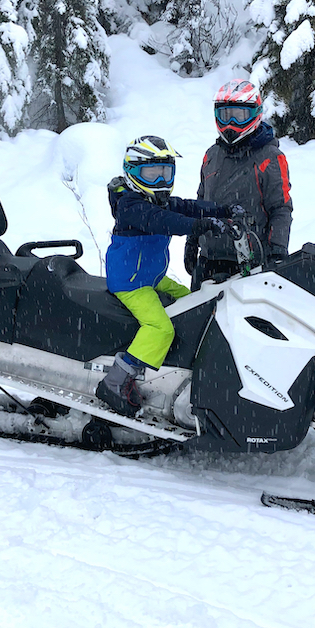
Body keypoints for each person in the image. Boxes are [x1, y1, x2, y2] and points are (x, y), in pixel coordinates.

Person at [97, 135, 238, 418]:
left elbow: (187, 206)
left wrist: (222, 211)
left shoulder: (154, 199)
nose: (160, 180)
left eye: (165, 172)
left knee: (195, 302)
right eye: (152, 173)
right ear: (133, 172)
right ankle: (117, 380)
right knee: (160, 328)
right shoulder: (132, 205)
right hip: (130, 282)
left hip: (151, 275)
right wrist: (200, 226)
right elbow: (163, 221)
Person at [185, 79, 292, 290]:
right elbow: (200, 202)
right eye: (226, 115)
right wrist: (192, 240)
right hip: (209, 259)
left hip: (250, 262)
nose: (231, 123)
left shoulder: (270, 157)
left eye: (239, 115)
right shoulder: (212, 155)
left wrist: (277, 251)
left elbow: (281, 208)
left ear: (255, 114)